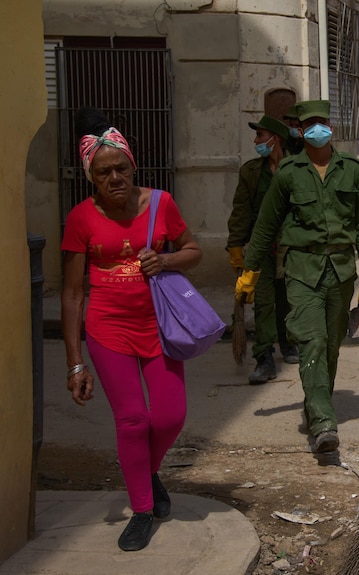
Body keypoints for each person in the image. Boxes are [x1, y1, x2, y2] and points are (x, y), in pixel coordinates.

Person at [62, 107, 203, 552]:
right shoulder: (80, 218)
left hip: (159, 326)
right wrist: (74, 363)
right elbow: (70, 295)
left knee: (169, 416)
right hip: (107, 330)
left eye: (121, 168)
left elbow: (194, 250)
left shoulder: (161, 203)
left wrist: (166, 260)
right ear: (91, 177)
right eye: (103, 172)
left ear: (133, 165)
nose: (115, 178)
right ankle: (142, 509)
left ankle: (147, 470)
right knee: (132, 419)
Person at [236, 100, 359, 453]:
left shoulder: (352, 169)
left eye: (322, 122)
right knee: (312, 342)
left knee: (331, 346)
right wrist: (250, 270)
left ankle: (317, 402)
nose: (317, 128)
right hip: (301, 269)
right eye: (309, 124)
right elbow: (266, 225)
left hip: (341, 270)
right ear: (299, 130)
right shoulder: (288, 173)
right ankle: (322, 422)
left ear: (331, 125)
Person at [227, 114, 298, 384]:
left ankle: (289, 342)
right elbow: (241, 211)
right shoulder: (251, 172)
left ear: (274, 139)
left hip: (292, 245)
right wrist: (236, 245)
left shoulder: (296, 169)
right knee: (264, 301)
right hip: (262, 246)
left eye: (260, 135)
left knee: (288, 298)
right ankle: (265, 358)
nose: (256, 141)